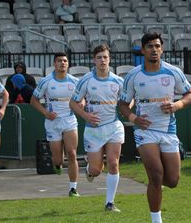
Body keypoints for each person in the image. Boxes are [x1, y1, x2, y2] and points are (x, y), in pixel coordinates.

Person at [118, 32, 191, 223]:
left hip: (168, 130)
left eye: (157, 46)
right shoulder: (133, 76)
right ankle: (156, 220)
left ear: (162, 49)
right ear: (143, 50)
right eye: (150, 46)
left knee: (172, 181)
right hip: (145, 131)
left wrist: (177, 105)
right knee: (155, 175)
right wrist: (133, 117)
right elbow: (122, 104)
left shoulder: (173, 72)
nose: (154, 49)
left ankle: (159, 186)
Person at [70, 44, 124, 212]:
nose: (102, 60)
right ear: (94, 60)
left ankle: (109, 203)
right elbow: (73, 102)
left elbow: (128, 100)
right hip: (93, 129)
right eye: (99, 57)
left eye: (105, 57)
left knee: (114, 164)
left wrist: (128, 107)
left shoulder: (118, 81)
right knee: (96, 170)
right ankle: (89, 169)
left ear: (109, 59)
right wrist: (85, 115)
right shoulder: (86, 80)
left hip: (113, 127)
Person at [30, 52, 80, 197]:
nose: (62, 63)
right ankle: (58, 164)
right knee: (58, 160)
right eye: (59, 61)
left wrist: (80, 105)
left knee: (72, 153)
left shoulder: (75, 81)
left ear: (68, 64)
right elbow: (34, 101)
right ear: (54, 64)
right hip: (52, 122)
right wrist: (46, 112)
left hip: (70, 120)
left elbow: (82, 98)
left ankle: (73, 188)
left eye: (65, 61)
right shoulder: (46, 81)